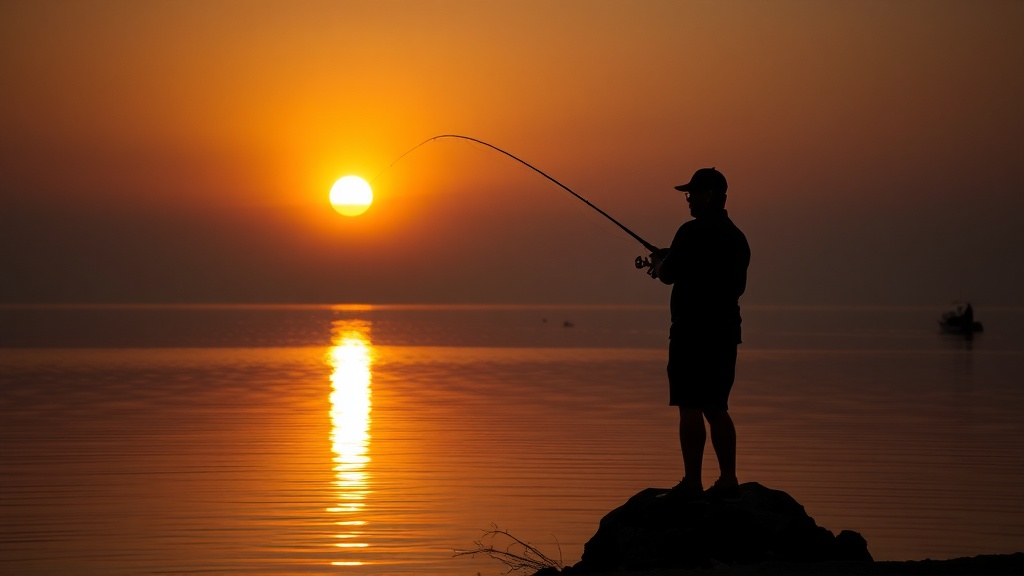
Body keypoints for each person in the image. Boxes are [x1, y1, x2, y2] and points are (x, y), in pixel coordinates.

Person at [650, 167, 750, 501]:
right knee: (717, 406)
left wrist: (661, 263)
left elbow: (668, 275)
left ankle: (692, 483)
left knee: (690, 405)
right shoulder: (737, 238)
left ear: (710, 195)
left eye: (692, 193)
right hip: (724, 332)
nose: (688, 199)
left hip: (691, 331)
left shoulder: (690, 233)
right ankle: (728, 480)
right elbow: (737, 286)